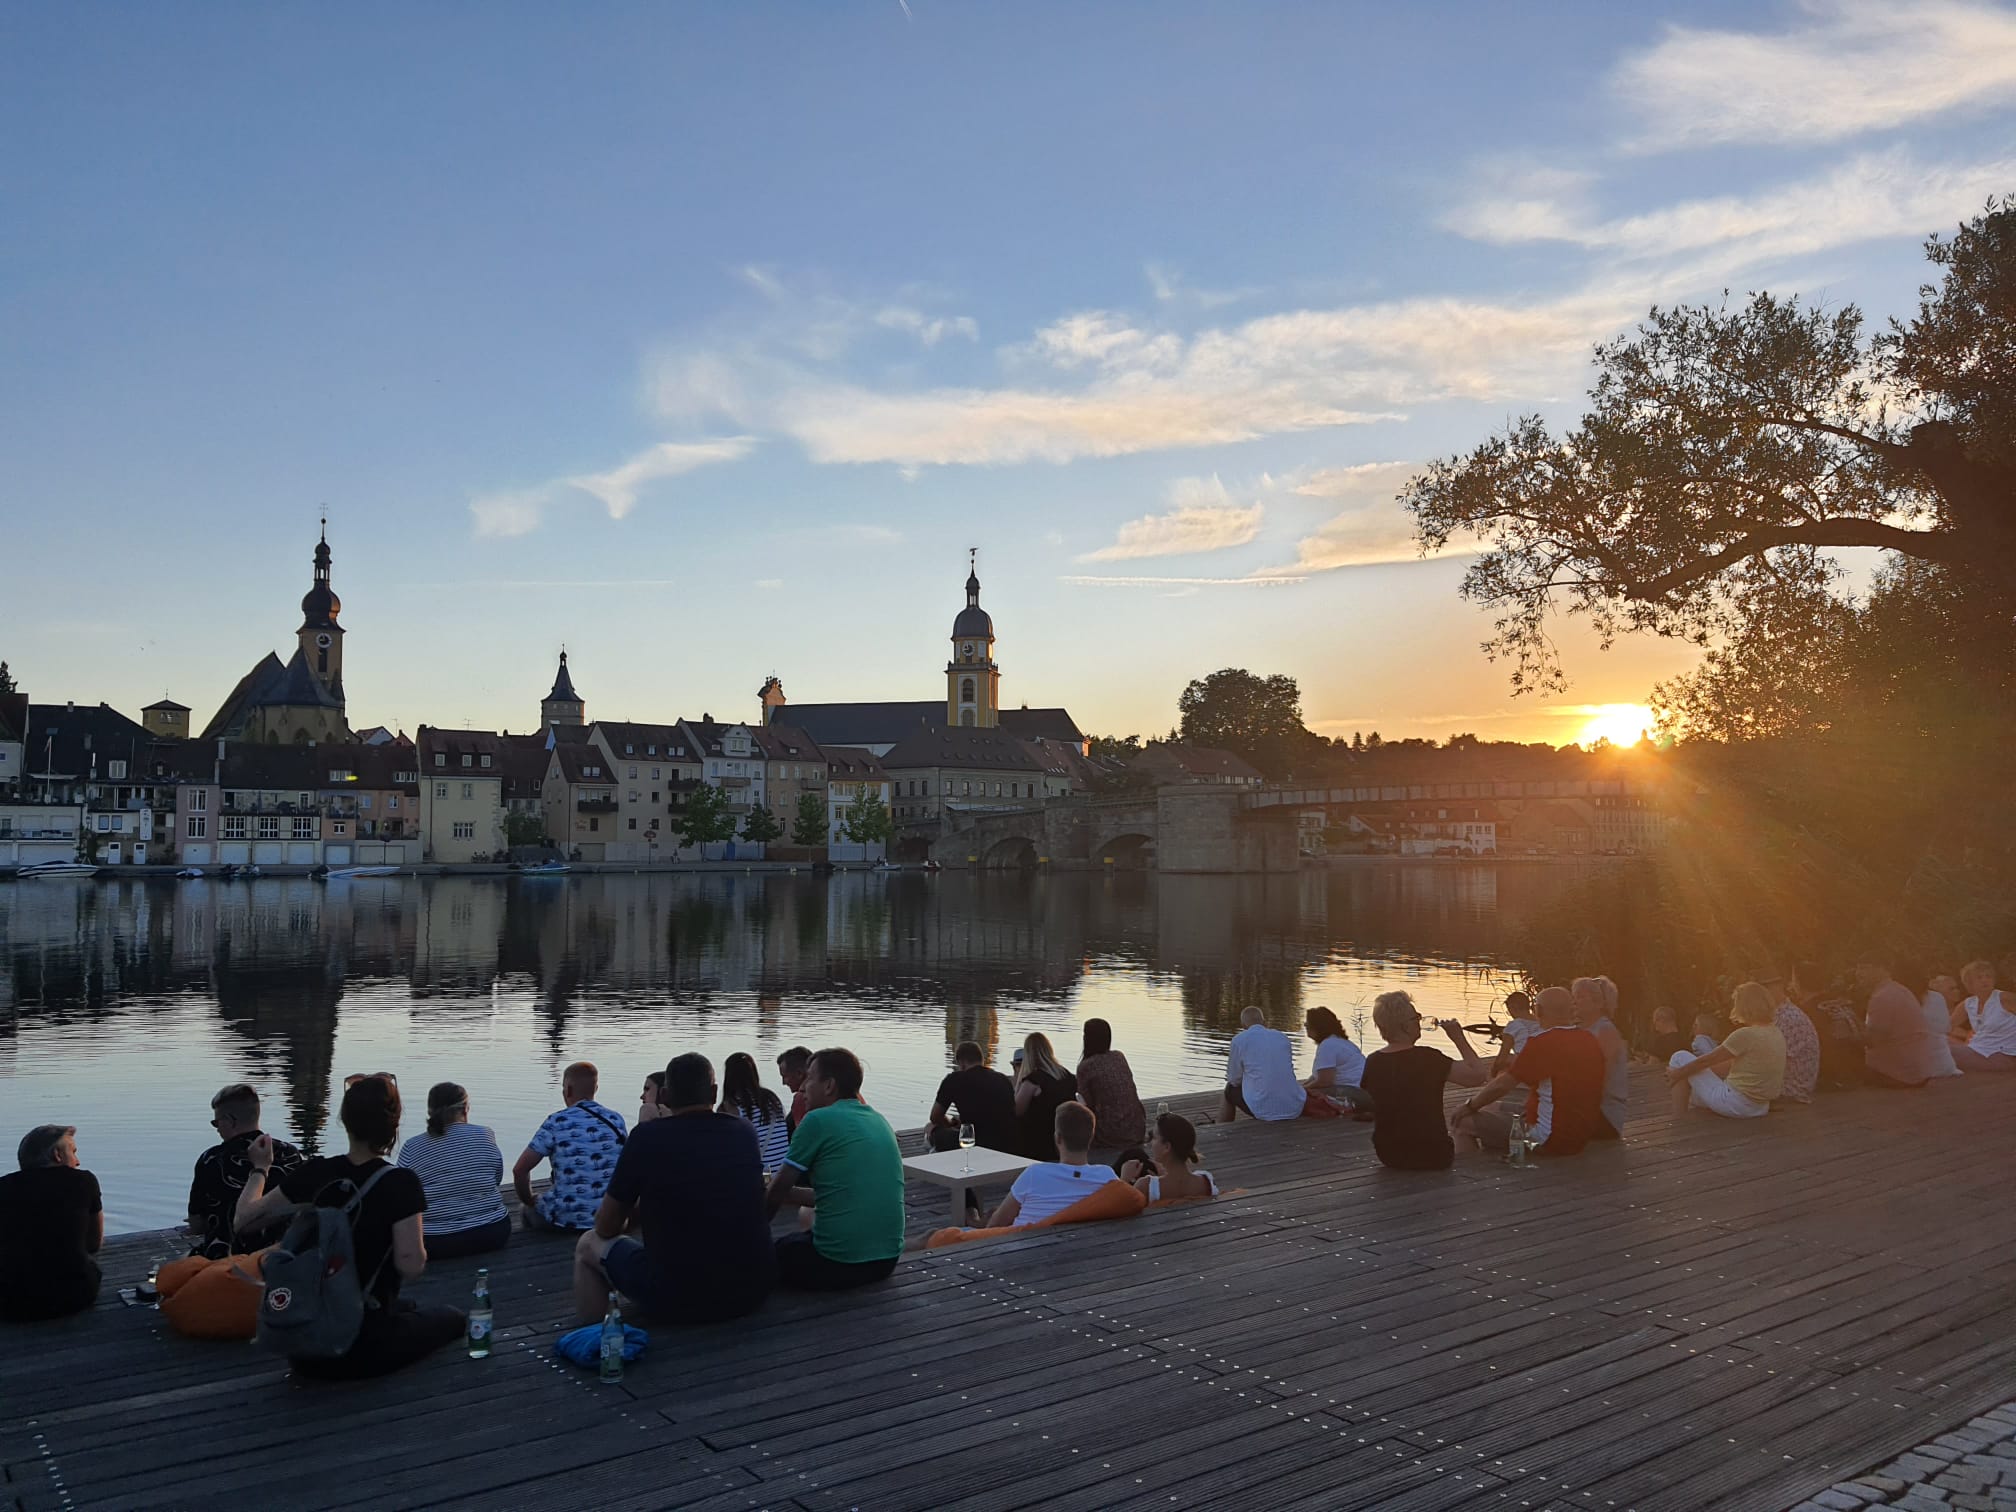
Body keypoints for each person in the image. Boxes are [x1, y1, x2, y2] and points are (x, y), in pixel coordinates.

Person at [233, 1076, 463, 1378]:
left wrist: (261, 1168)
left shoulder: (316, 1172)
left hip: (305, 1344)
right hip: (363, 1348)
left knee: (407, 1306)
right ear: (393, 1124)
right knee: (453, 1318)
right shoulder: (401, 1182)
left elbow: (244, 1221)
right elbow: (411, 1266)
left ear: (344, 1120)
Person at [576, 1053, 774, 1325]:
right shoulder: (743, 1131)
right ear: (714, 1093)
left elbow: (606, 1226)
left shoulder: (647, 1137)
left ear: (665, 1095)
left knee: (588, 1243)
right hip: (751, 1290)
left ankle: (594, 1340)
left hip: (679, 1296)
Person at [764, 1048, 904, 1290]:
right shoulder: (878, 1119)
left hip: (838, 1262)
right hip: (885, 1261)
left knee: (768, 1254)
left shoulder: (816, 1120)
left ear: (829, 1086)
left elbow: (777, 1192)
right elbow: (840, 1193)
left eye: (809, 1078)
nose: (803, 1086)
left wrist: (750, 1235)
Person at [1450, 986, 1606, 1156]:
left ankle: (1469, 1173)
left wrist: (1469, 1106)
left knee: (1461, 1121)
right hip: (1579, 1132)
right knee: (1489, 1106)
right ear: (1571, 1010)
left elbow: (1502, 1085)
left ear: (1538, 1010)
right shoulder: (1590, 1039)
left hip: (1550, 1137)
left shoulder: (1543, 1042)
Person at [1358, 990, 1489, 1171]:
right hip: (1433, 1154)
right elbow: (1477, 1076)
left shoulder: (1372, 1061)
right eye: (1416, 1018)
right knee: (1461, 1128)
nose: (1419, 1022)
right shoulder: (1429, 1058)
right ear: (1405, 1026)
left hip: (1389, 1154)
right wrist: (1458, 1038)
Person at [187, 1083, 303, 1260]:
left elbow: (196, 1226)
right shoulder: (290, 1154)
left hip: (223, 1258)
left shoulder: (211, 1159)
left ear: (230, 1121)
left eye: (216, 1122)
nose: (217, 1128)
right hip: (280, 1258)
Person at [0, 1124, 103, 1322]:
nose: (78, 1161)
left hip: (9, 1300)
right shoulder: (84, 1181)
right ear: (57, 1155)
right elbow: (93, 1244)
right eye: (73, 1152)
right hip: (73, 1295)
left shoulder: (3, 1187)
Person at [397, 1081, 509, 1260]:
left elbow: (402, 1196)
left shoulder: (412, 1147)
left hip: (435, 1240)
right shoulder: (485, 1135)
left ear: (429, 1112)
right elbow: (496, 1178)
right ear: (466, 1109)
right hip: (492, 1232)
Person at [512, 1061, 626, 1232]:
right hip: (610, 1218)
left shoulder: (556, 1121)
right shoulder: (616, 1120)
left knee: (526, 1210)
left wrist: (529, 1200)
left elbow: (520, 1170)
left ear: (568, 1090)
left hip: (565, 1221)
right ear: (595, 1089)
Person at [986, 1102, 1124, 1226]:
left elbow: (997, 1223)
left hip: (1026, 1248)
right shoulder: (1107, 1177)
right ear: (1091, 1138)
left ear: (1058, 1138)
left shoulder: (1035, 1174)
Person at [1668, 982, 1786, 1119]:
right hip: (1760, 1107)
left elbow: (1706, 1060)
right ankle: (1686, 1110)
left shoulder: (1745, 1035)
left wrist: (1677, 1074)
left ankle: (1678, 1118)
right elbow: (1725, 1067)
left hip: (1736, 1104)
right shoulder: (1776, 1033)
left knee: (1679, 1057)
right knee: (1695, 1095)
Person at [1857, 953, 1943, 1089]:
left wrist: (1849, 1033)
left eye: (1865, 968)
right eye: (1858, 969)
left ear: (1882, 970)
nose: (1859, 973)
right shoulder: (1900, 990)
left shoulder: (1881, 997)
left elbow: (1874, 1040)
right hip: (1920, 1071)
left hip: (1901, 1075)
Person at [926, 1041, 1017, 1155]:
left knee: (931, 1128)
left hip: (975, 1142)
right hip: (1005, 1144)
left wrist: (949, 1124)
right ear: (981, 1060)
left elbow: (935, 1116)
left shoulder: (953, 1080)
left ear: (962, 1063)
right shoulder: (1003, 1079)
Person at [1219, 1006, 1303, 1124]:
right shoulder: (1282, 1037)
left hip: (1263, 1109)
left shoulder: (1239, 1040)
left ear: (1243, 1025)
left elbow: (1234, 1079)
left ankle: (1222, 1126)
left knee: (1229, 1089)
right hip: (1294, 1106)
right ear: (1264, 1022)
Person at [1572, 975, 1629, 1139]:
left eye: (1581, 997)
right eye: (1574, 996)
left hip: (1604, 1114)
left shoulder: (1605, 1030)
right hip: (1584, 1107)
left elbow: (1600, 1077)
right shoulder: (1581, 1029)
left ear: (1599, 1003)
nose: (1575, 1001)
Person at [1074, 1019, 1147, 1149]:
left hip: (1111, 1134)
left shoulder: (1085, 1067)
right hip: (1137, 1128)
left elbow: (1086, 1105)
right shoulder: (1119, 1056)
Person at [1792, 960, 1864, 1090]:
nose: (1790, 985)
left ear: (1798, 983)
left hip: (1830, 1078)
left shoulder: (1803, 1013)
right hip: (1858, 1073)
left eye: (1793, 980)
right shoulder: (1841, 1002)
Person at [1120, 1112, 1218, 1202]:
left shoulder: (1146, 1186)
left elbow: (1121, 1208)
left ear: (1167, 1147)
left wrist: (1124, 1180)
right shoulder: (1206, 1181)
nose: (1150, 1143)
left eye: (1153, 1137)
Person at [720, 1052, 792, 1168]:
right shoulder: (772, 1099)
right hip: (781, 1175)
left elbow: (724, 1149)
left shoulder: (731, 1106)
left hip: (757, 1178)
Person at [1013, 1033, 1079, 1160]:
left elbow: (1017, 1111)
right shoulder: (1067, 1075)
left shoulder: (1034, 1080)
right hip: (1062, 1135)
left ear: (1028, 1054)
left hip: (1039, 1139)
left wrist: (1018, 1082)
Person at [1302, 1006, 1373, 1114]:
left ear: (1317, 1027)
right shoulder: (1339, 1042)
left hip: (1353, 1093)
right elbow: (1317, 1076)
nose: (1305, 1025)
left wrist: (1302, 1090)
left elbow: (1324, 1081)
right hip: (1362, 1091)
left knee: (1304, 1097)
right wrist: (1303, 1086)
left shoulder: (1328, 1045)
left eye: (1307, 1023)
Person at [1953, 960, 2016, 1072]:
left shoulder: (2004, 998)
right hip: (1976, 1049)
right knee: (1938, 1044)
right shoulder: (1968, 1003)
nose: (1985, 980)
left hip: (2002, 1055)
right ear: (1969, 983)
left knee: (1944, 1053)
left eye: (1988, 976)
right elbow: (1944, 1027)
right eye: (1979, 977)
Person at [1767, 979, 1822, 1104]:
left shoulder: (1789, 1018)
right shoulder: (1778, 1014)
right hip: (1783, 1085)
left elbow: (1768, 1061)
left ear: (1777, 987)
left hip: (1791, 1090)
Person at [777, 1046, 812, 1130]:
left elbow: (802, 1136)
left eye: (785, 1076)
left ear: (799, 1073)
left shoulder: (802, 1098)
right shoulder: (828, 1095)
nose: (783, 1083)